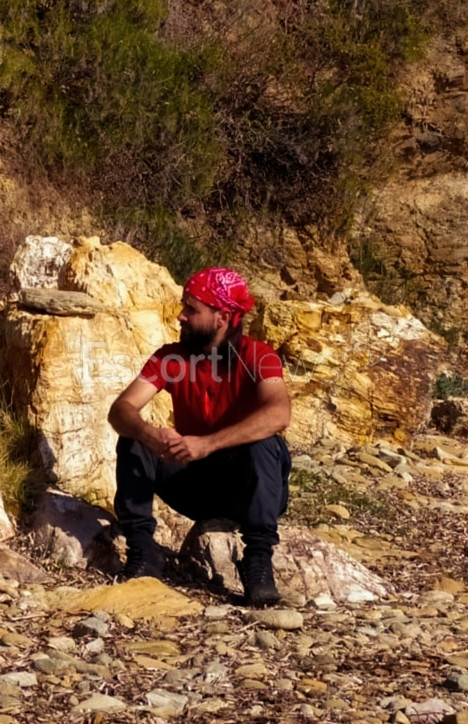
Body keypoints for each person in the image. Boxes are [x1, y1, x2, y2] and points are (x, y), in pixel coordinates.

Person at [108, 267, 291, 607]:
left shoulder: (258, 356)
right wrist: (150, 434)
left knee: (265, 443)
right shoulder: (170, 357)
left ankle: (258, 561)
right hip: (194, 486)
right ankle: (143, 553)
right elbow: (121, 410)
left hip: (247, 489)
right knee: (134, 438)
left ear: (222, 317)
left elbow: (279, 413)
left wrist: (207, 444)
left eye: (191, 309)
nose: (181, 316)